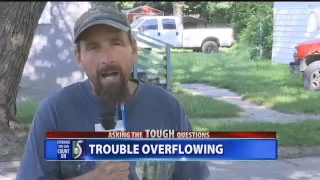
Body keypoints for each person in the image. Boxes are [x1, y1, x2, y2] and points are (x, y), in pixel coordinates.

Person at [16, 6, 210, 180]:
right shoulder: (55, 112)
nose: (106, 58)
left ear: (134, 50)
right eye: (93, 47)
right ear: (79, 57)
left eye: (116, 44)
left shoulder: (167, 108)